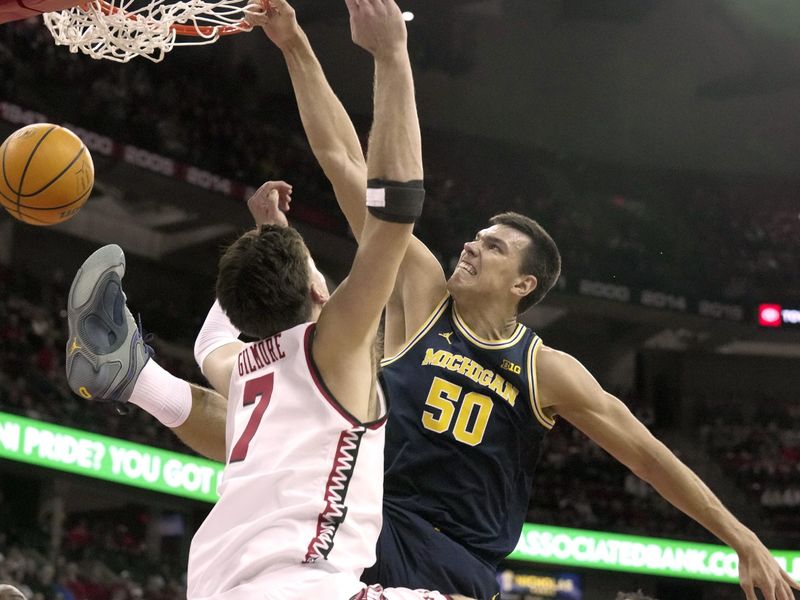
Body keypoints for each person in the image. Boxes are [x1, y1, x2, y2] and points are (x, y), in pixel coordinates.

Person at [67, 3, 800, 600]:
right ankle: (139, 378)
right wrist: (294, 44)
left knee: (266, 393)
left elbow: (645, 454)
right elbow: (344, 161)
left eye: (493, 247)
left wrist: (743, 537)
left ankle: (141, 379)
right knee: (282, 409)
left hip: (455, 559)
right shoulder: (420, 291)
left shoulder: (547, 370)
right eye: (476, 235)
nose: (472, 246)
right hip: (367, 516)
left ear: (524, 286)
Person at [66, 1, 472, 599]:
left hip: (224, 575)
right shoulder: (337, 343)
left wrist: (272, 238)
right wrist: (392, 55)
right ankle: (136, 377)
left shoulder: (246, 365)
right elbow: (394, 210)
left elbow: (212, 343)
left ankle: (137, 377)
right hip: (298, 584)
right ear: (316, 290)